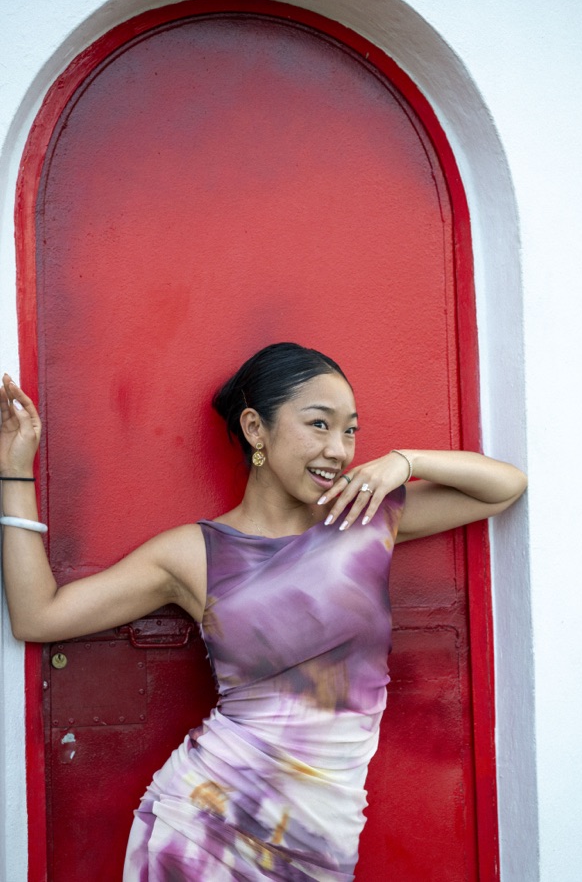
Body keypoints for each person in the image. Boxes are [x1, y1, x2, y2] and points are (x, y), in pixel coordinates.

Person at [0, 343, 527, 881]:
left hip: (322, 839)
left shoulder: (361, 519)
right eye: (318, 424)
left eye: (350, 430)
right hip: (205, 830)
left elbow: (504, 489)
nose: (339, 450)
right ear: (256, 428)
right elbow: (39, 617)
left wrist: (405, 461)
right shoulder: (192, 554)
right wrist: (15, 473)